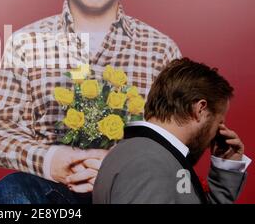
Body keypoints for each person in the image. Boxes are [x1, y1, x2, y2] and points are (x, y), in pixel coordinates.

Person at [0, 0, 181, 204]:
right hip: (52, 195)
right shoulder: (26, 43)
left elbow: (177, 138)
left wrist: (119, 162)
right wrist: (55, 159)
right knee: (10, 193)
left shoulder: (162, 49)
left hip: (131, 193)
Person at [93, 58, 251, 204]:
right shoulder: (150, 162)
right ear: (200, 109)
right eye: (219, 122)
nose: (219, 132)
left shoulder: (147, 154)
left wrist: (226, 167)